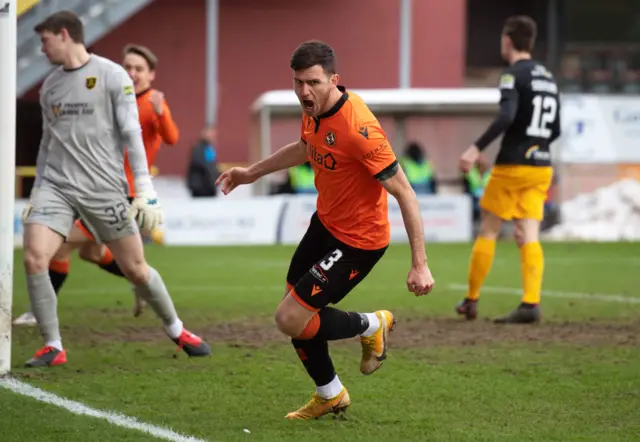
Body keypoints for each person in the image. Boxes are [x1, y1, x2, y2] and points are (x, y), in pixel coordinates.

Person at [216, 40, 435, 420]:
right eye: (298, 82)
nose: (304, 91)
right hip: (325, 225)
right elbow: (305, 148)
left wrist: (420, 264)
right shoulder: (313, 111)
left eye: (313, 82)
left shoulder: (360, 129)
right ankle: (330, 393)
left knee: (290, 318)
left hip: (359, 242)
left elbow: (406, 194)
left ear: (334, 80)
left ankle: (372, 324)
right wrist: (250, 173)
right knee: (297, 314)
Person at [21, 10, 210, 367]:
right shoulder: (50, 87)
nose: (42, 49)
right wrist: (37, 193)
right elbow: (47, 144)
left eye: (44, 40)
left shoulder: (111, 75)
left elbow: (133, 135)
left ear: (64, 35)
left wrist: (144, 191)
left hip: (105, 189)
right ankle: (52, 345)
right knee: (35, 255)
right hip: (57, 188)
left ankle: (176, 329)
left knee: (137, 268)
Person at [14, 43, 179, 326]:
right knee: (92, 253)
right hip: (93, 188)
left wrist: (161, 112)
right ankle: (141, 282)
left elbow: (172, 137)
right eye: (127, 67)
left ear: (151, 75)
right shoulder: (113, 98)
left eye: (139, 69)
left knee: (61, 247)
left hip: (120, 194)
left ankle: (38, 313)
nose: (132, 73)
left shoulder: (153, 102)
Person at [455, 15, 561, 324]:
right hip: (541, 165)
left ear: (507, 41)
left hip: (513, 163)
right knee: (529, 232)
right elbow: (555, 128)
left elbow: (506, 117)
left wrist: (475, 148)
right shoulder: (549, 78)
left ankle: (471, 300)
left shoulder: (512, 75)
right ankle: (530, 303)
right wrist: (536, 144)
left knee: (489, 228)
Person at [186, 125, 221, 197]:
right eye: (211, 134)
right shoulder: (199, 148)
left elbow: (212, 166)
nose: (213, 137)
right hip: (201, 188)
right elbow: (204, 165)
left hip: (209, 188)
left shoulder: (209, 148)